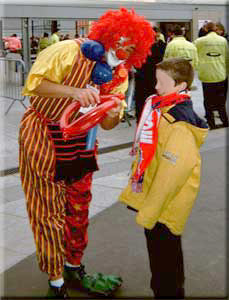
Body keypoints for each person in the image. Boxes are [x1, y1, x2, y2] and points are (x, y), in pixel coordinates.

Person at [19, 7, 154, 299]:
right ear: (108, 34)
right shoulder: (67, 50)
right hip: (44, 134)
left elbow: (108, 124)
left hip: (82, 142)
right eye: (122, 41)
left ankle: (73, 265)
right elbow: (33, 85)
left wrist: (111, 111)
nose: (124, 51)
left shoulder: (120, 74)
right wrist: (74, 92)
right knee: (48, 210)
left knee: (79, 207)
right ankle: (55, 280)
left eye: (132, 48)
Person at [119, 58, 208, 299]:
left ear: (179, 85)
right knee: (163, 259)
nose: (156, 87)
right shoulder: (164, 110)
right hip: (161, 204)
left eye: (161, 82)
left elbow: (171, 176)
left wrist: (149, 211)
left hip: (165, 207)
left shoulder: (178, 124)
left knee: (165, 263)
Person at [194, 22, 229, 129]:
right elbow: (227, 58)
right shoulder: (223, 40)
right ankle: (225, 122)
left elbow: (194, 56)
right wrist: (226, 71)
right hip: (220, 73)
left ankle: (211, 123)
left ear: (205, 29)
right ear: (215, 29)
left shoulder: (199, 41)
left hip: (206, 75)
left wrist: (196, 67)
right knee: (221, 100)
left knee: (208, 101)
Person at [134, 26, 166, 122]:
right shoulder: (161, 45)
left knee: (141, 100)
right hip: (156, 76)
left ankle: (140, 118)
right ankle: (154, 116)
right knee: (154, 97)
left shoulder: (139, 46)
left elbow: (135, 62)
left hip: (141, 76)